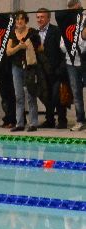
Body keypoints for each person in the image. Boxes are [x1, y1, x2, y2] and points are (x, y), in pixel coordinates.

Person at [6, 10, 40, 132]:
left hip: (29, 67)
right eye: (17, 19)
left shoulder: (32, 32)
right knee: (19, 96)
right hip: (16, 67)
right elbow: (8, 52)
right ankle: (20, 123)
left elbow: (40, 47)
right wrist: (19, 47)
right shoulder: (12, 34)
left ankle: (33, 123)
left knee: (31, 95)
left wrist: (29, 48)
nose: (19, 21)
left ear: (25, 20)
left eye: (21, 19)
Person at [35, 8, 66, 129]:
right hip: (42, 71)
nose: (39, 19)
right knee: (46, 96)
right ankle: (50, 120)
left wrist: (60, 68)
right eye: (37, 17)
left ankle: (62, 120)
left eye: (42, 17)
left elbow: (63, 51)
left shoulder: (56, 31)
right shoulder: (35, 34)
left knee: (57, 96)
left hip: (56, 70)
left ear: (48, 18)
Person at [63, 0, 86, 131]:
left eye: (77, 8)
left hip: (84, 60)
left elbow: (83, 42)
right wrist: (72, 47)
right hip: (71, 62)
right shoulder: (66, 23)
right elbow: (62, 44)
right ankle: (80, 120)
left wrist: (78, 45)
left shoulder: (85, 20)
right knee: (76, 92)